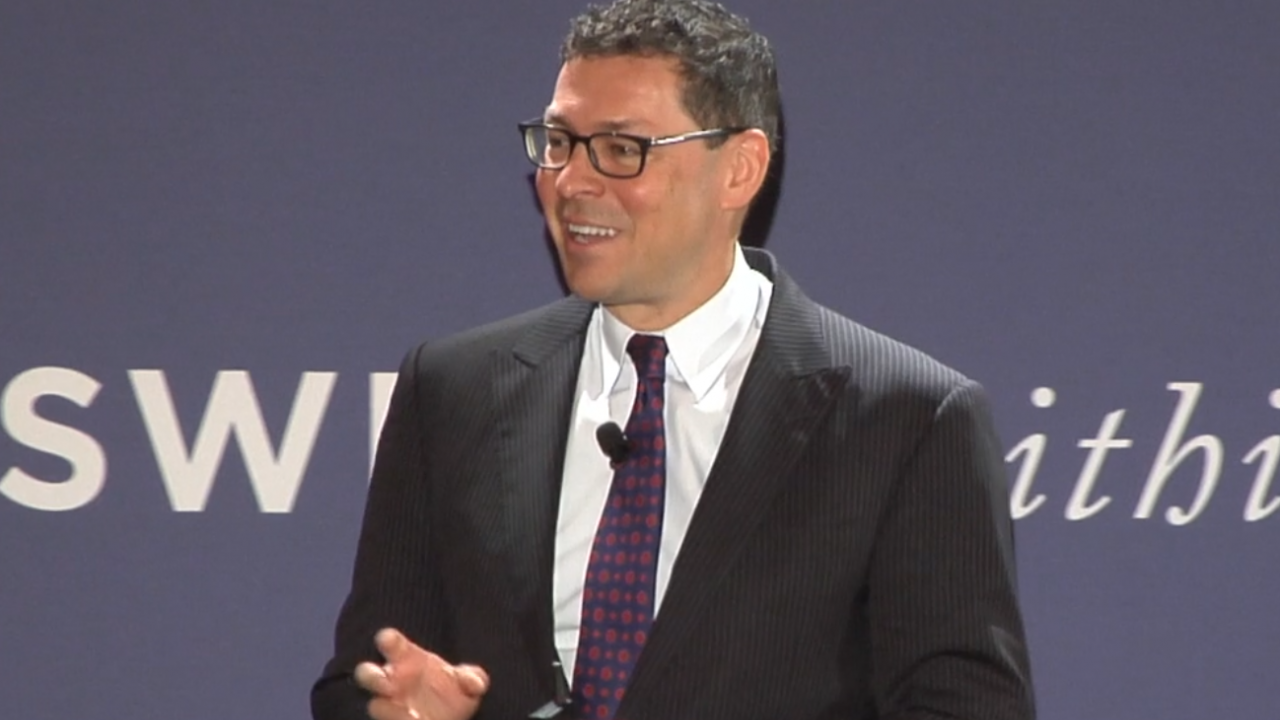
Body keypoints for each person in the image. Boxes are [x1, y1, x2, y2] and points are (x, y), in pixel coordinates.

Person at [311, 1, 1035, 719]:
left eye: (623, 149)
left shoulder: (905, 421)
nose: (572, 182)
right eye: (559, 142)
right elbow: (360, 681)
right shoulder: (453, 391)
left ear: (740, 169)